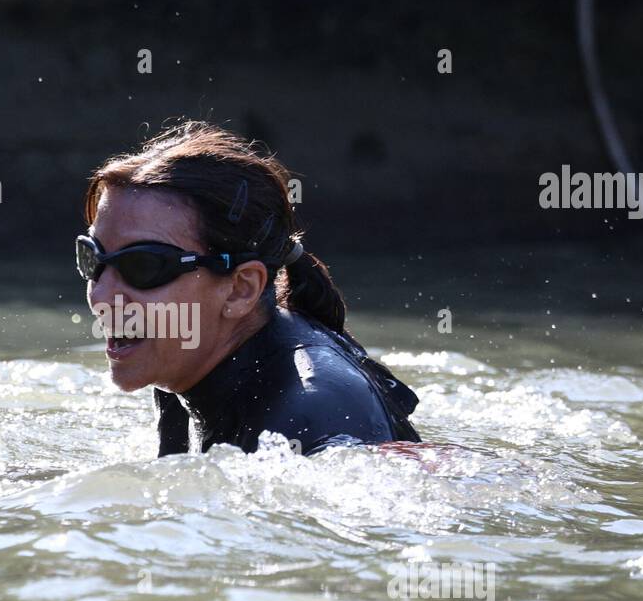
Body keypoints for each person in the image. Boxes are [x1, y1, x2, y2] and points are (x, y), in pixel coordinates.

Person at [75, 119, 420, 457]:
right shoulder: (183, 354)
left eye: (144, 266)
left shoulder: (310, 420)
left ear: (241, 289)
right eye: (93, 258)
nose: (101, 296)